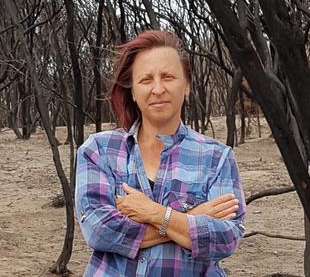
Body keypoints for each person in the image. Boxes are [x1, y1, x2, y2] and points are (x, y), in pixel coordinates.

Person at [76, 30, 246, 276]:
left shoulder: (216, 158)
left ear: (186, 85)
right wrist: (190, 218)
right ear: (133, 91)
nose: (158, 89)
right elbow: (99, 230)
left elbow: (226, 238)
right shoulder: (99, 151)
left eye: (168, 77)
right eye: (146, 80)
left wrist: (153, 213)